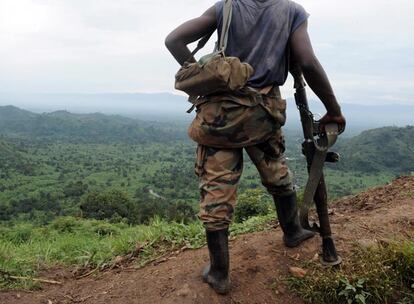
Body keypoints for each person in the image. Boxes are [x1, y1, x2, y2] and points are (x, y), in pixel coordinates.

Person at [165, 0, 346, 295]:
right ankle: (293, 231)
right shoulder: (291, 11)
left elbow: (174, 40)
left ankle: (220, 272)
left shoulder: (226, 6)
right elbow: (308, 61)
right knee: (277, 172)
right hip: (264, 113)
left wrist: (209, 75)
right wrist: (334, 109)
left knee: (217, 190)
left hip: (220, 117)